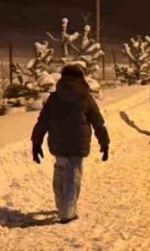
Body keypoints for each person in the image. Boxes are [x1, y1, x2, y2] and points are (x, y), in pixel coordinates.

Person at [31, 65, 110, 224]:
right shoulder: (85, 97)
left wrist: (36, 142)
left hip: (58, 142)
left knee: (60, 173)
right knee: (73, 176)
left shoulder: (54, 97)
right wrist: (104, 142)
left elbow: (43, 121)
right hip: (78, 143)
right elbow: (98, 122)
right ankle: (67, 213)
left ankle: (62, 205)